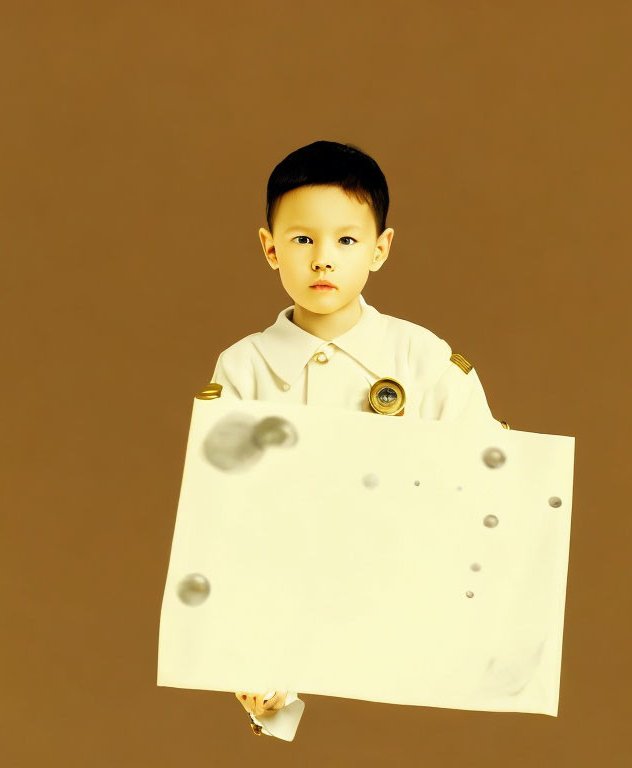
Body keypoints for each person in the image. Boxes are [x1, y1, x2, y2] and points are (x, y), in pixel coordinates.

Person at [209, 140, 507, 740]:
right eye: (302, 240)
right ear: (270, 247)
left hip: (416, 641)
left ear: (381, 248)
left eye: (346, 240)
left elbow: (493, 483)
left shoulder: (423, 361)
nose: (323, 260)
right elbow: (223, 523)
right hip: (296, 630)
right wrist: (248, 669)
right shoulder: (243, 370)